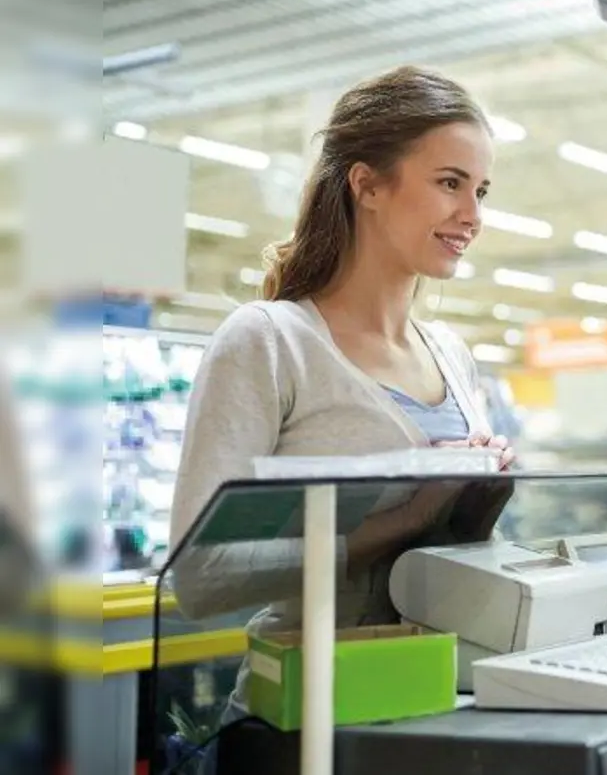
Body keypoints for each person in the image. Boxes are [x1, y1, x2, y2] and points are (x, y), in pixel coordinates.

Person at [169, 65, 517, 636]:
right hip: (312, 705)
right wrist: (408, 516)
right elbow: (200, 575)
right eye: (449, 183)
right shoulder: (270, 342)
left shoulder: (451, 353)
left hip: (440, 690)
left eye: (480, 191)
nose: (473, 216)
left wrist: (480, 492)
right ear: (368, 184)